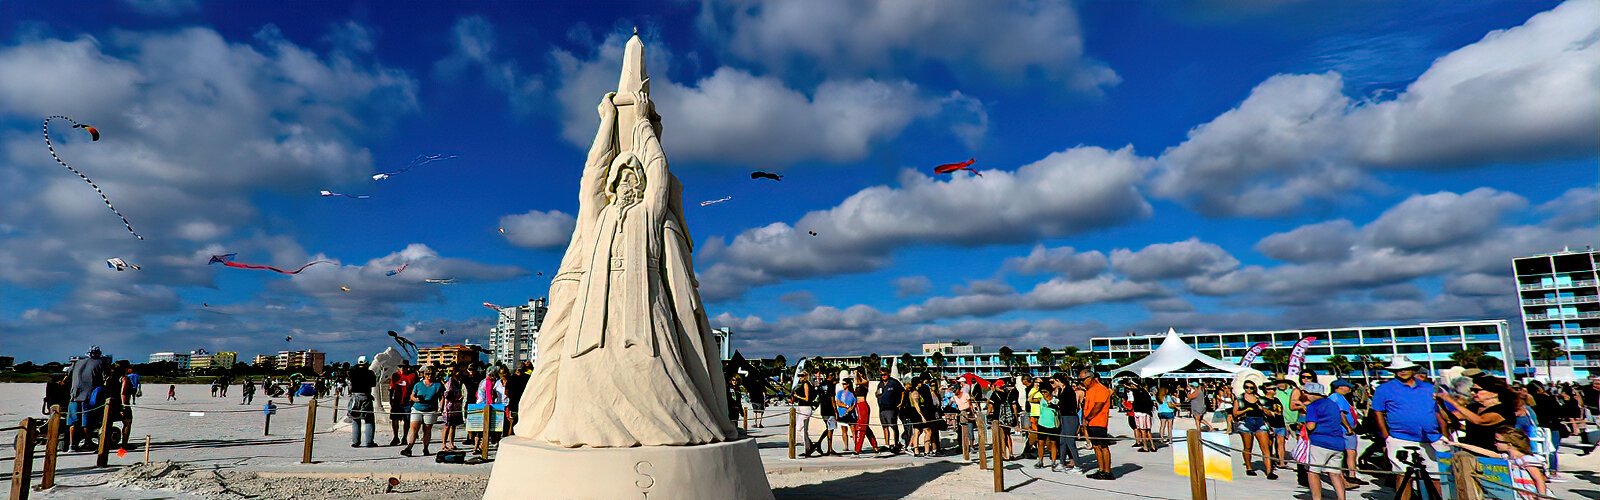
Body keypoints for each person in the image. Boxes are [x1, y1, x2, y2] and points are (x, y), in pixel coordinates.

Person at [1370, 355, 1446, 489]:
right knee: (1404, 477)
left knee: (1437, 477)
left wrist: (1444, 434)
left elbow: (1439, 411)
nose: (1402, 371)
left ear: (1413, 369)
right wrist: (1386, 436)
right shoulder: (1384, 389)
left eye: (1406, 368)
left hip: (1432, 438)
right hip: (1400, 438)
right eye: (1398, 369)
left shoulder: (1429, 387)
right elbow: (1377, 412)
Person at [1447, 427, 1547, 499]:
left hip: (1531, 495)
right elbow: (1485, 452)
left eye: (1497, 441)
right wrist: (1460, 444)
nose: (1494, 443)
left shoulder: (1526, 459)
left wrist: (1542, 497)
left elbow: (1539, 479)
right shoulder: (1507, 458)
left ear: (1509, 445)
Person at [1437, 381, 1513, 456]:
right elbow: (1450, 418)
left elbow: (1480, 420)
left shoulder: (1504, 409)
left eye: (1477, 391)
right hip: (1471, 451)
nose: (1473, 393)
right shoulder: (1473, 407)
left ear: (1494, 393)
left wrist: (1453, 402)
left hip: (1492, 453)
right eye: (1472, 390)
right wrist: (1440, 403)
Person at [1302, 383, 1347, 500]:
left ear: (1311, 393)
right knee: (1335, 473)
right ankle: (1342, 498)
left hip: (1320, 443)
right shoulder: (1333, 404)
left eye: (1305, 393)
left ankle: (1317, 498)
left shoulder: (1313, 406)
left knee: (1313, 472)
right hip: (1338, 442)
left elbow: (1311, 426)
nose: (1304, 395)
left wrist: (1303, 425)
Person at [66, 346, 110, 451]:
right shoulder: (100, 363)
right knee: (87, 421)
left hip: (74, 396)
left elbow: (68, 374)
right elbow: (106, 378)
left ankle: (72, 445)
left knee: (73, 421)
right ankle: (87, 442)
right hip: (88, 396)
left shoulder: (77, 362)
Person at [1233, 380, 1279, 479]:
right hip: (1246, 423)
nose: (1248, 389)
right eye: (1246, 387)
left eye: (1251, 387)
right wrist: (1245, 410)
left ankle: (1269, 471)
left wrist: (1262, 409)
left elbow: (1271, 413)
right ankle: (1249, 468)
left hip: (1260, 422)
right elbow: (1235, 413)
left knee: (1265, 447)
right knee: (1248, 447)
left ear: (1255, 388)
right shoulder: (1239, 399)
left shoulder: (1260, 399)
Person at [1079, 369, 1114, 480]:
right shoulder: (1090, 390)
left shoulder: (1101, 389)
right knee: (1096, 446)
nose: (1082, 382)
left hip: (1099, 422)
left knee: (1103, 446)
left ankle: (1107, 471)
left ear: (1090, 378)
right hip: (1091, 422)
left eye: (1083, 379)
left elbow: (1098, 406)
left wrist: (1088, 418)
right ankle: (1101, 470)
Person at [402, 368, 443, 456]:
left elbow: (441, 397)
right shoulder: (418, 384)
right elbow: (412, 395)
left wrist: (441, 408)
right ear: (424, 374)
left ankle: (425, 448)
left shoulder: (438, 385)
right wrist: (415, 399)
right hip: (417, 408)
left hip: (430, 409)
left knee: (427, 429)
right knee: (413, 428)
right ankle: (409, 448)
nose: (429, 376)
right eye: (427, 374)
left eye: (431, 374)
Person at [347, 360, 377, 448]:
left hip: (355, 397)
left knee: (355, 419)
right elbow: (373, 384)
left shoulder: (352, 372)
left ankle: (355, 442)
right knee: (369, 419)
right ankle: (369, 442)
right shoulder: (370, 373)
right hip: (365, 396)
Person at [987, 378, 1019, 460]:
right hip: (1008, 417)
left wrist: (987, 414)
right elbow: (1014, 406)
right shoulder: (1008, 393)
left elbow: (990, 406)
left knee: (1002, 436)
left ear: (998, 386)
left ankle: (1004, 454)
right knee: (1008, 435)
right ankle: (1011, 453)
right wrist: (1015, 417)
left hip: (999, 416)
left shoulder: (995, 394)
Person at [876, 371, 906, 454]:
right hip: (882, 408)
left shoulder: (894, 382)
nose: (883, 376)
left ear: (888, 374)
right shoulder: (880, 384)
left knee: (893, 426)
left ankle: (896, 443)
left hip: (891, 408)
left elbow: (903, 391)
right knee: (884, 427)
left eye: (884, 374)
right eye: (881, 375)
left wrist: (901, 403)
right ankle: (886, 444)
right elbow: (877, 393)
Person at [388, 364, 417, 446]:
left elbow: (415, 387)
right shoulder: (395, 375)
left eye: (404, 367)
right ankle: (395, 436)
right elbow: (391, 388)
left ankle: (404, 437)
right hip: (396, 401)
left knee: (407, 419)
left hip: (407, 401)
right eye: (400, 367)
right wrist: (391, 400)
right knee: (395, 419)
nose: (402, 368)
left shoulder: (412, 375)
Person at [1035, 378, 1060, 469]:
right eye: (1042, 392)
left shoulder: (1056, 400)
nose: (1043, 394)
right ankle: (1040, 461)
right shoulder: (1041, 400)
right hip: (1042, 423)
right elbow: (1030, 399)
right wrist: (1037, 390)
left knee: (1053, 443)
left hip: (1052, 424)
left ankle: (1053, 461)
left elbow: (1058, 409)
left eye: (1045, 392)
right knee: (1041, 443)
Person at [1263, 384, 1289, 467]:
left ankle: (1281, 462)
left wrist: (1285, 425)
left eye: (1274, 389)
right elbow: (1264, 413)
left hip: (1280, 424)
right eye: (1271, 389)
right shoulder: (1263, 400)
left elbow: (1281, 413)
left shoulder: (1276, 400)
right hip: (1271, 425)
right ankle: (1270, 461)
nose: (1274, 391)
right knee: (1269, 444)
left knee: (1281, 444)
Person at [440, 365, 465, 452]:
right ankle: (444, 444)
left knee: (453, 426)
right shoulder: (450, 381)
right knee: (447, 425)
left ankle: (451, 442)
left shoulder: (458, 381)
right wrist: (456, 399)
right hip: (449, 406)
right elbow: (447, 394)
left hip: (456, 406)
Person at [793, 371, 817, 457]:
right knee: (803, 430)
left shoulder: (806, 384)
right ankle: (808, 448)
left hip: (805, 408)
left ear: (806, 376)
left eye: (802, 376)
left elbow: (807, 398)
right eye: (799, 375)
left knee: (799, 428)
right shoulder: (803, 384)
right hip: (802, 408)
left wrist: (797, 396)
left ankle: (809, 445)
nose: (800, 377)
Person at [850, 385, 880, 454]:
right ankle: (875, 446)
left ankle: (857, 449)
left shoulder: (862, 390)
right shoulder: (859, 391)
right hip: (860, 405)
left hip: (862, 405)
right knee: (866, 429)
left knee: (861, 427)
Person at [1131, 381, 1156, 452]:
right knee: (1148, 430)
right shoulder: (1147, 394)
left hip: (1140, 413)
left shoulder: (1137, 392)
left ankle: (1145, 447)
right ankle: (1153, 446)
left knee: (1142, 430)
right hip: (1147, 413)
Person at [835, 377, 856, 450]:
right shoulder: (840, 393)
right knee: (844, 430)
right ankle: (846, 446)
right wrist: (846, 406)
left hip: (851, 414)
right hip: (842, 413)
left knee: (853, 430)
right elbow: (838, 402)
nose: (843, 385)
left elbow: (854, 404)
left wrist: (850, 409)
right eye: (842, 384)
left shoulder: (852, 394)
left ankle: (856, 445)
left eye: (845, 384)